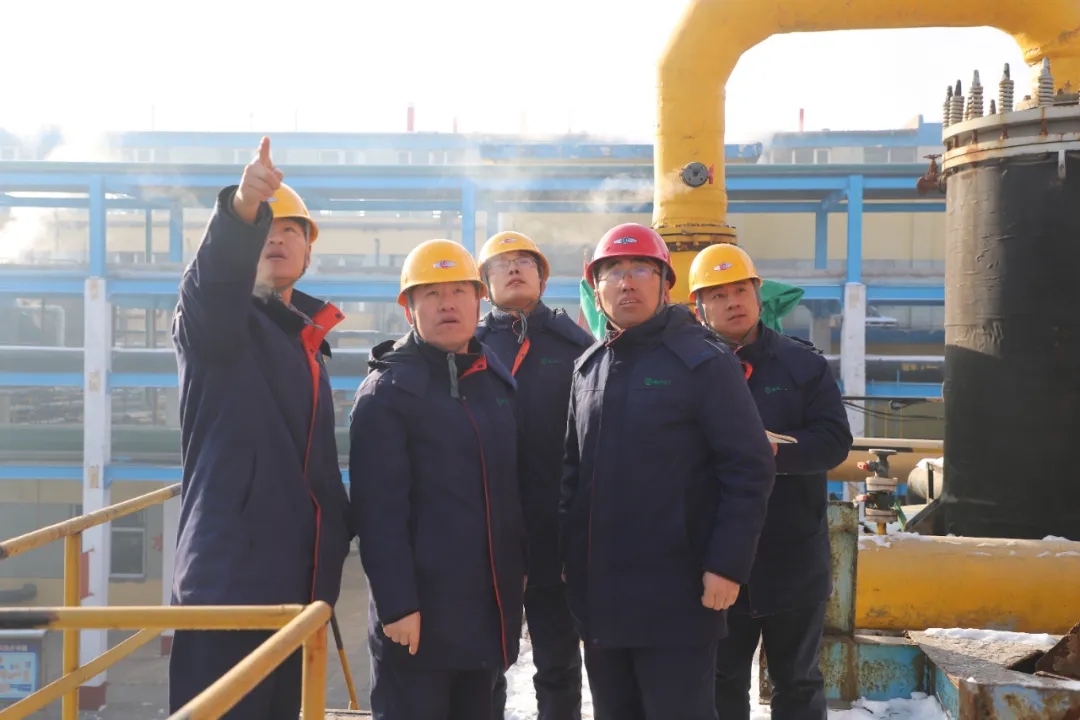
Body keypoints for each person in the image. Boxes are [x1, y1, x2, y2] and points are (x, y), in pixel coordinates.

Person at [558, 223, 777, 720]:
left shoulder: (704, 363)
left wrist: (727, 565)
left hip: (679, 595)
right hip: (603, 597)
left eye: (640, 269)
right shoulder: (587, 368)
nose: (626, 282)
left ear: (665, 284)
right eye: (613, 271)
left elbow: (748, 468)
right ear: (596, 288)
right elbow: (572, 474)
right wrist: (569, 559)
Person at [168, 137, 353, 718]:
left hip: (294, 594)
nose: (278, 238)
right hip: (228, 590)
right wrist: (242, 207)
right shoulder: (217, 324)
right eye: (267, 229)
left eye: (292, 230)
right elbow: (214, 281)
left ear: (308, 253)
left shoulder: (303, 343)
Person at [350, 239, 527, 720]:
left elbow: (509, 492)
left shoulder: (493, 382)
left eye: (458, 291)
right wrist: (397, 607)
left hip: (486, 616)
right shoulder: (387, 394)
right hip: (419, 624)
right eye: (431, 293)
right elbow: (378, 514)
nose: (447, 304)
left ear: (478, 300)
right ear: (409, 309)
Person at [687, 243, 852, 720]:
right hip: (716, 558)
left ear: (758, 294)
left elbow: (834, 441)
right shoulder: (686, 370)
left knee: (797, 682)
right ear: (699, 308)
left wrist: (774, 451)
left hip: (791, 558)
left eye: (740, 290)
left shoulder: (802, 366)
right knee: (720, 681)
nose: (733, 302)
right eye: (718, 295)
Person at [475, 231, 593, 720]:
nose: (514, 269)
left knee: (558, 660)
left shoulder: (576, 347)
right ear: (484, 285)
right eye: (501, 264)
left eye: (525, 261)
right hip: (486, 533)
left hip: (554, 532)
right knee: (483, 662)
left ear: (543, 279)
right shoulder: (468, 346)